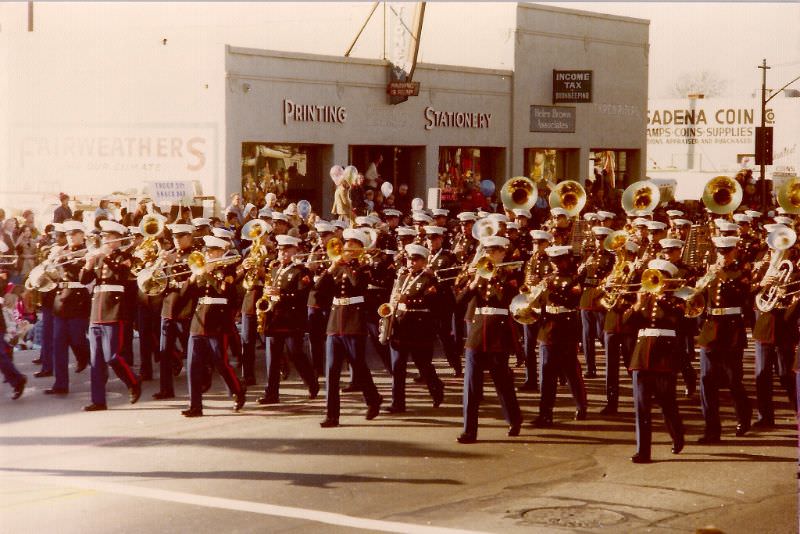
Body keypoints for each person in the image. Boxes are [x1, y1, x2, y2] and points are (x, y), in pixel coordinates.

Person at [455, 235, 522, 443]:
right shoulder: (475, 275)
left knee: (502, 383)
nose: (490, 255)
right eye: (487, 251)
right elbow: (459, 301)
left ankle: (514, 419)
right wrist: (474, 281)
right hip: (476, 335)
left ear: (503, 253)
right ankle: (469, 430)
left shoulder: (509, 275)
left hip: (498, 335)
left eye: (494, 251)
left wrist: (496, 277)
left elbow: (506, 300)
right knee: (471, 386)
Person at [315, 228, 383, 427]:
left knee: (358, 365)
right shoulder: (336, 267)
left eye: (353, 245)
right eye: (347, 244)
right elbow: (318, 291)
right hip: (335, 321)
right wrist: (330, 269)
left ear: (360, 248)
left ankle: (373, 398)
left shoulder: (363, 268)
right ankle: (332, 415)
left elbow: (357, 285)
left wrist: (345, 266)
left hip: (354, 321)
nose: (347, 247)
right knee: (332, 370)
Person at [623, 259, 686, 463]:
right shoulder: (644, 298)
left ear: (669, 279)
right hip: (642, 355)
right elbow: (625, 323)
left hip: (664, 355)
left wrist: (661, 298)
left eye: (661, 276)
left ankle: (677, 434)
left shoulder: (678, 298)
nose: (655, 279)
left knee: (667, 403)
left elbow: (679, 320)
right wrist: (638, 305)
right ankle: (643, 451)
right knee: (641, 406)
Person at [695, 236, 752, 443]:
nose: (723, 255)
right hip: (711, 330)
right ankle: (712, 430)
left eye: (727, 251)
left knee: (733, 380)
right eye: (720, 251)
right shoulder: (710, 270)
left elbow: (745, 297)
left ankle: (744, 414)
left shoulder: (742, 271)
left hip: (731, 331)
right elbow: (699, 296)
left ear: (735, 251)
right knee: (706, 380)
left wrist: (725, 278)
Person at [181, 235, 246, 417]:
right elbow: (184, 296)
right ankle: (195, 406)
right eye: (206, 251)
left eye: (211, 251)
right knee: (193, 365)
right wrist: (193, 277)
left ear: (219, 252)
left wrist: (208, 273)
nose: (207, 254)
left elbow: (222, 290)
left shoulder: (228, 269)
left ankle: (237, 390)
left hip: (218, 321)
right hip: (198, 321)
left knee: (220, 362)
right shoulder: (200, 270)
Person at [79, 220, 142, 411]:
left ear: (117, 240)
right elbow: (84, 280)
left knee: (112, 356)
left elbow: (121, 275)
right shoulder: (97, 256)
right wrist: (88, 265)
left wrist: (104, 257)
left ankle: (133, 382)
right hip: (97, 309)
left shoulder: (125, 256)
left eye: (108, 238)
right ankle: (98, 400)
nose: (104, 241)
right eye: (104, 237)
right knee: (96, 360)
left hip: (115, 309)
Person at [258, 234, 319, 404]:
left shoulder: (301, 271)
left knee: (296, 354)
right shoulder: (275, 268)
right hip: (275, 318)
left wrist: (282, 294)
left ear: (295, 250)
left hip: (292, 319)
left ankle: (312, 383)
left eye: (286, 250)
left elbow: (303, 295)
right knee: (273, 358)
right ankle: (271, 393)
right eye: (280, 250)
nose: (282, 253)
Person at [532, 245, 588, 427]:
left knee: (571, 370)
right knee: (547, 372)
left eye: (559, 261)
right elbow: (539, 302)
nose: (555, 265)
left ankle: (581, 405)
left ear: (567, 260)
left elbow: (572, 302)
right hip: (547, 328)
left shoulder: (574, 280)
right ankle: (545, 414)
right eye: (553, 261)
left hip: (566, 327)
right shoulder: (547, 278)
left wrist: (552, 292)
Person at [386, 243, 444, 413]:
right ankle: (398, 403)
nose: (412, 262)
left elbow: (431, 301)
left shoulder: (430, 279)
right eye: (410, 259)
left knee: (423, 365)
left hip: (419, 326)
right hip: (401, 324)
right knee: (398, 366)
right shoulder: (403, 277)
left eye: (416, 259)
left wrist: (408, 300)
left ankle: (436, 387)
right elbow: (396, 297)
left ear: (424, 261)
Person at [152, 223, 197, 400]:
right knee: (165, 351)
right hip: (169, 306)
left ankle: (203, 379)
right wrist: (156, 266)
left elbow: (189, 277)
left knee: (192, 350)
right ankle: (166, 388)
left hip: (186, 307)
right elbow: (159, 280)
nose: (176, 241)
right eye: (175, 237)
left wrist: (174, 262)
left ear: (189, 237)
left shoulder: (195, 255)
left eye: (180, 237)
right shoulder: (171, 255)